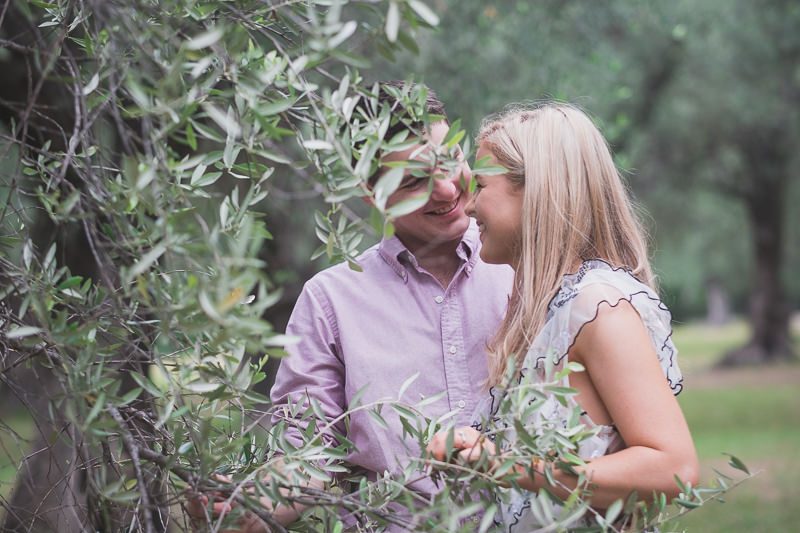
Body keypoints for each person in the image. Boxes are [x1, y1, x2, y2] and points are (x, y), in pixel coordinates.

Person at [189, 83, 514, 531]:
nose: (445, 189)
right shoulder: (331, 302)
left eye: (448, 162)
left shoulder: (530, 264)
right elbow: (308, 456)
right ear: (370, 193)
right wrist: (253, 508)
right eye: (414, 181)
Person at [427, 103, 699, 530]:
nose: (470, 206)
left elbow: (672, 468)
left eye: (480, 186)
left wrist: (512, 467)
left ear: (535, 189)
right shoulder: (548, 309)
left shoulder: (597, 309)